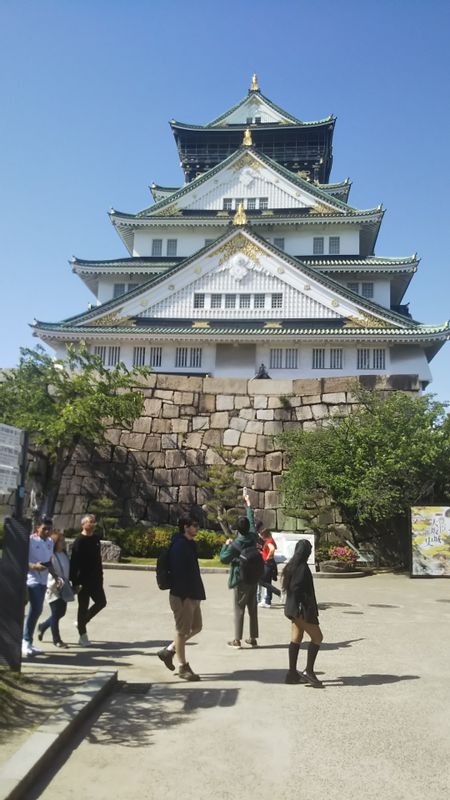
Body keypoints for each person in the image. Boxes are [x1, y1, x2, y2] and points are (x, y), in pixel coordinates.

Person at [157, 516, 206, 681]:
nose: (197, 528)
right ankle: (183, 667)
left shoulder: (189, 544)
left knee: (197, 627)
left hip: (193, 595)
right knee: (182, 631)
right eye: (195, 525)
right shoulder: (179, 546)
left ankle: (169, 650)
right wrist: (185, 596)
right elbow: (178, 574)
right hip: (183, 596)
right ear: (186, 527)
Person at [220, 491, 260, 649]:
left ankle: (237, 639)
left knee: (239, 608)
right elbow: (250, 518)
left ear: (238, 529)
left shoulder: (237, 543)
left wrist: (226, 544)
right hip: (254, 576)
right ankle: (253, 637)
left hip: (241, 577)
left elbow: (224, 558)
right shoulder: (253, 535)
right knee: (253, 608)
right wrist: (248, 503)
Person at [282, 539, 324, 687]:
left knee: (296, 637)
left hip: (292, 608)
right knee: (318, 637)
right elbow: (296, 587)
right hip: (302, 609)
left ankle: (292, 673)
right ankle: (309, 671)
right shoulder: (302, 567)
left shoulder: (292, 565)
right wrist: (302, 605)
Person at [69, 513, 106, 646]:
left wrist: (100, 576)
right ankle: (82, 635)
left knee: (101, 602)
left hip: (95, 579)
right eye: (90, 522)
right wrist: (74, 581)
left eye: (94, 522)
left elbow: (98, 560)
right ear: (83, 524)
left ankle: (81, 622)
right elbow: (74, 563)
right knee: (83, 607)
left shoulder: (96, 539)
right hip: (82, 581)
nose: (93, 524)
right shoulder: (79, 541)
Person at [22, 517, 55, 658]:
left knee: (36, 611)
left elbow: (49, 561)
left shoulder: (50, 542)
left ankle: (28, 641)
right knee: (36, 609)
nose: (47, 531)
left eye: (49, 529)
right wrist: (34, 566)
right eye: (44, 529)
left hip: (43, 580)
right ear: (37, 528)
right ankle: (25, 641)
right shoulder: (30, 540)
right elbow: (22, 559)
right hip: (31, 579)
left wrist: (56, 576)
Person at [38, 532, 73, 648]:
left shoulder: (63, 554)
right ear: (55, 543)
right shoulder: (50, 556)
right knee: (56, 613)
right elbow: (49, 572)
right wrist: (56, 582)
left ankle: (42, 626)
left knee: (60, 613)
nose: (63, 543)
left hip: (63, 587)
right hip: (53, 588)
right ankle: (56, 640)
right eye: (61, 541)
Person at [257, 525, 281, 608]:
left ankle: (277, 592)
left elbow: (272, 549)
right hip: (269, 563)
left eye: (261, 535)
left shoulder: (269, 541)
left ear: (264, 535)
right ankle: (267, 601)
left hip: (268, 563)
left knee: (262, 581)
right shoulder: (270, 540)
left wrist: (267, 558)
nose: (261, 537)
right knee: (267, 582)